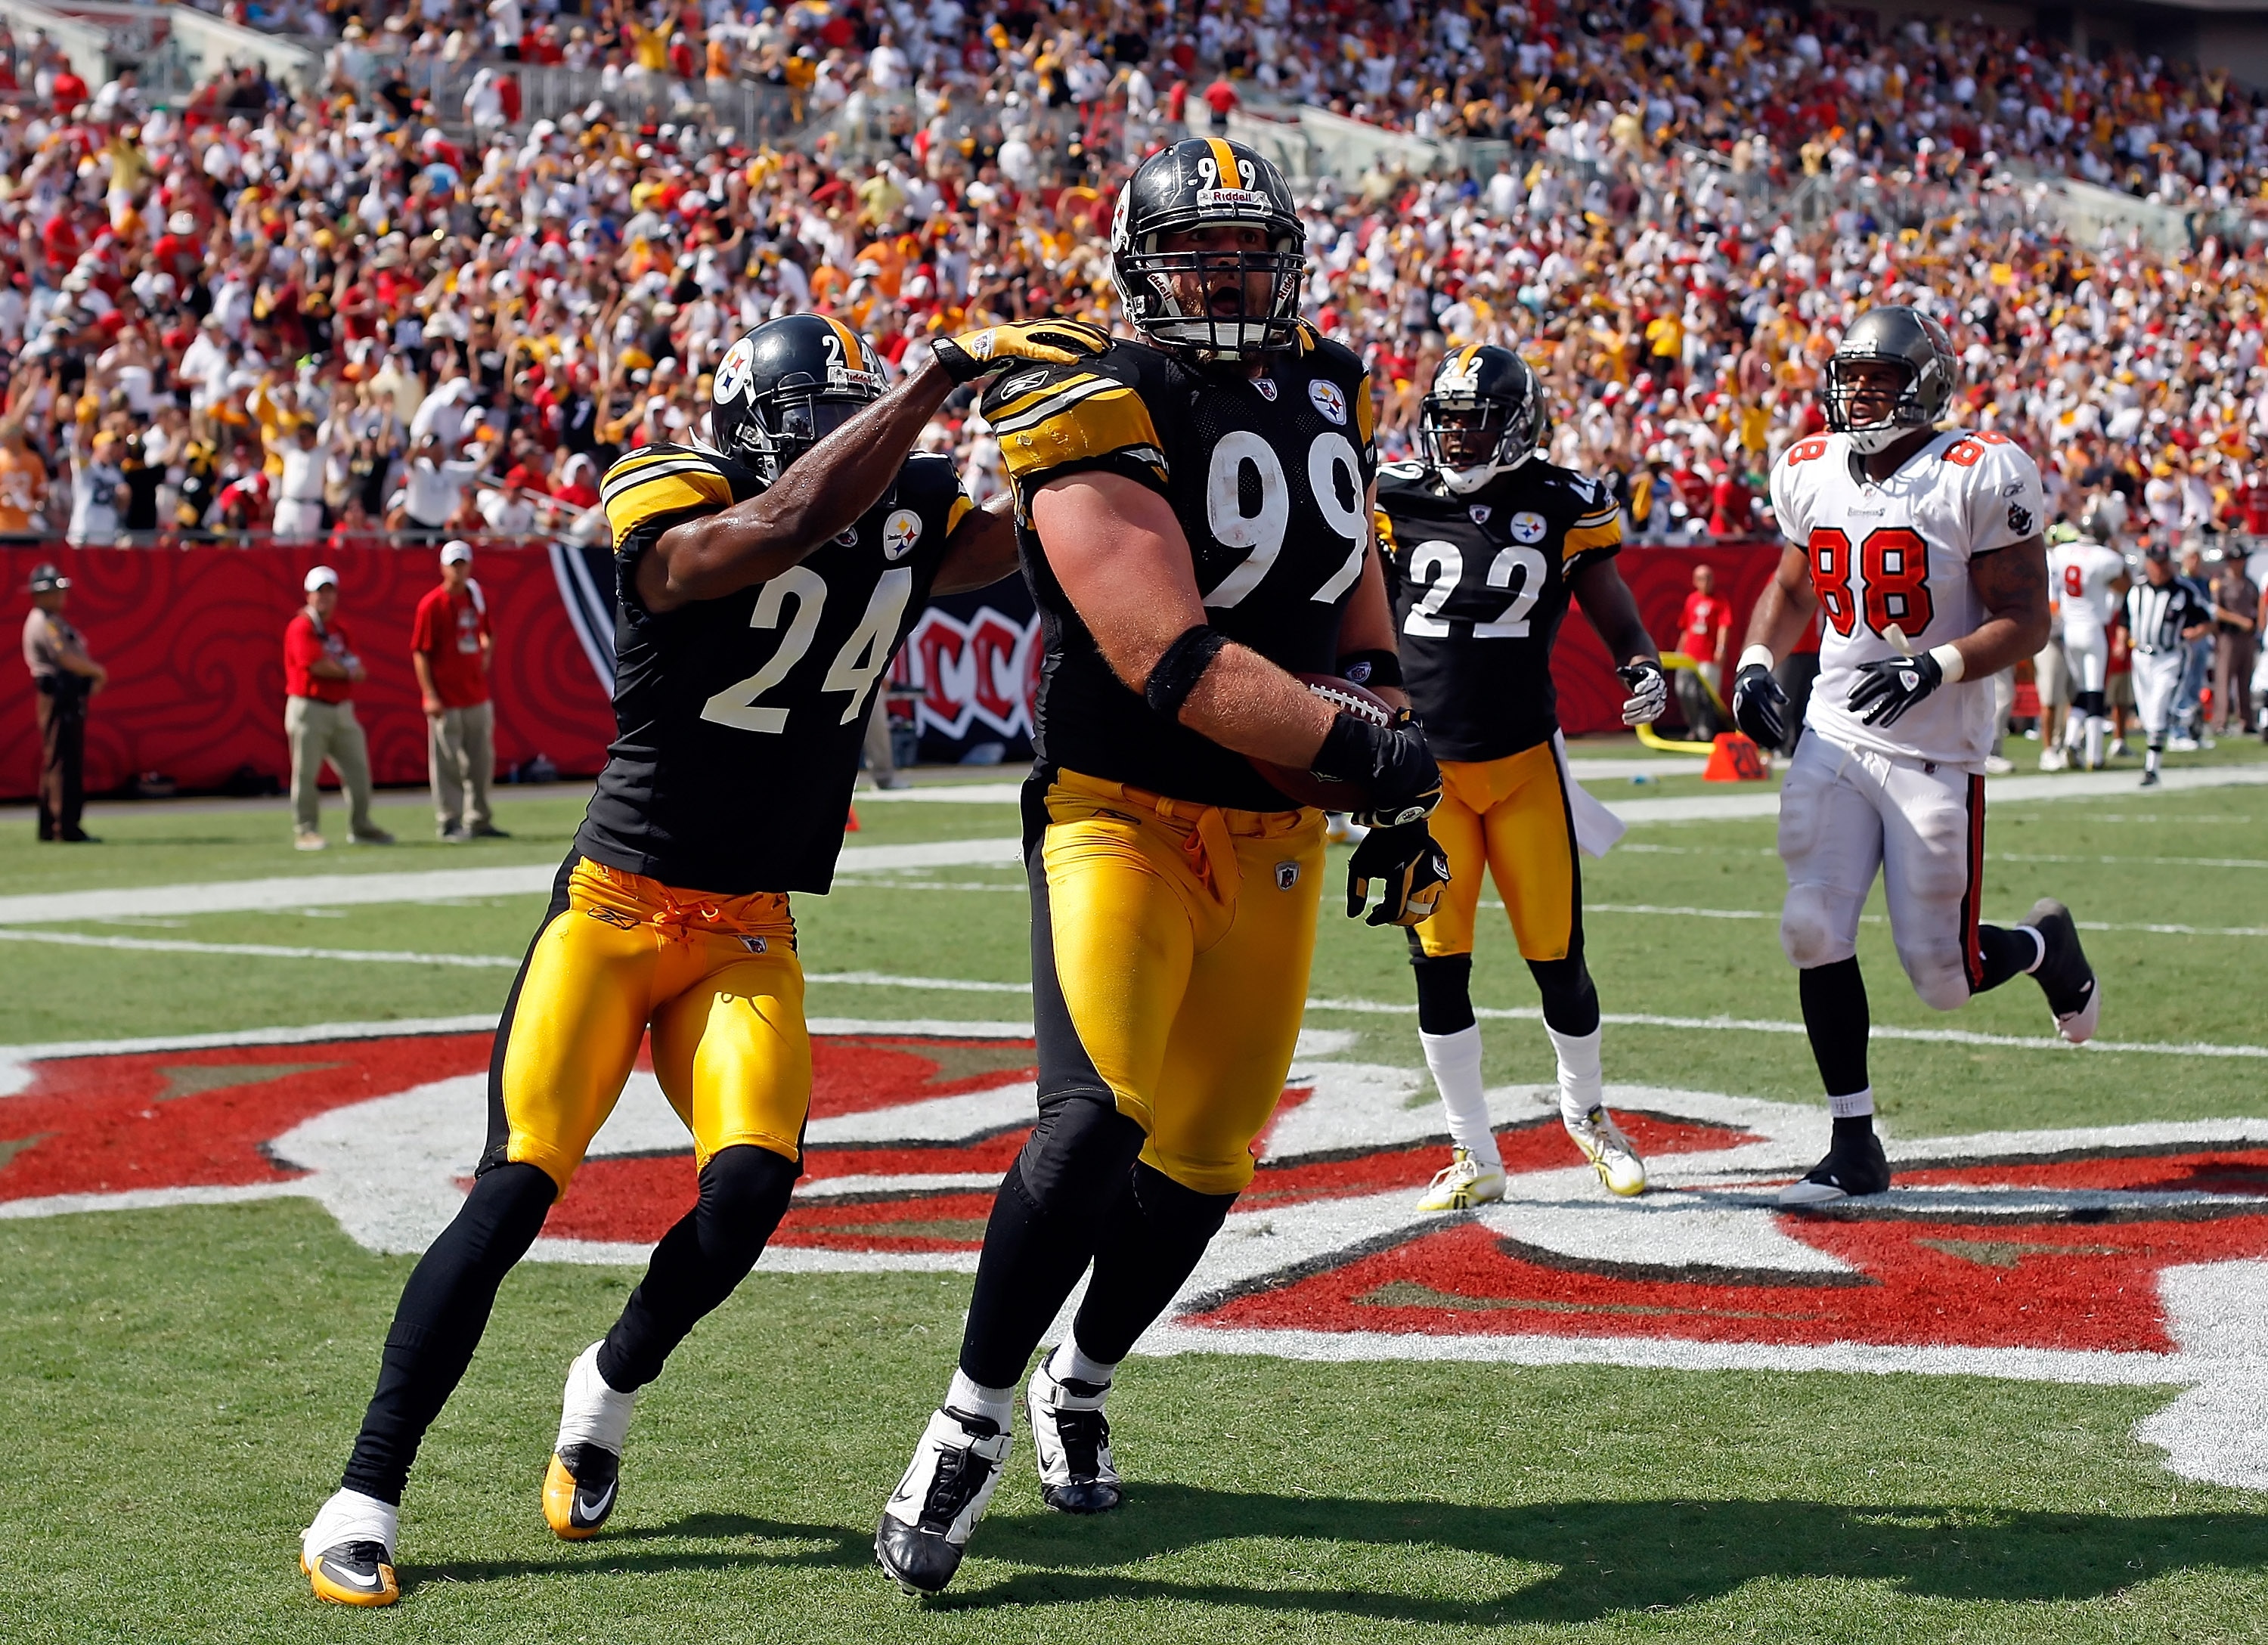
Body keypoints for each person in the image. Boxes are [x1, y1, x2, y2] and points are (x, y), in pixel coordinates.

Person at [297, 311, 1105, 1607]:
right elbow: (776, 528)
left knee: (745, 1197)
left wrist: (1115, 418)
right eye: (817, 419)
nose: (848, 437)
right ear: (742, 424)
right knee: (513, 1193)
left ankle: (609, 1381)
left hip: (748, 922)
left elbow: (1056, 542)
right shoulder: (668, 485)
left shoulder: (909, 514)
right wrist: (936, 376)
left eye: (858, 411)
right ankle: (365, 1487)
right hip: (615, 909)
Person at [875, 138, 1446, 1598]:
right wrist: (1374, 754)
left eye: (1251, 251)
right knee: (1090, 1125)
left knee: (1206, 1154)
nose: (1232, 277)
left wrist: (1377, 691)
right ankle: (969, 1417)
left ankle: (1084, 1378)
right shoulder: (1085, 385)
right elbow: (1166, 655)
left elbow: (1349, 554)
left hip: (1275, 836)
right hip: (1123, 806)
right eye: (1201, 254)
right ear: (1140, 265)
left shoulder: (1335, 380)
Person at [1731, 306, 2099, 1204]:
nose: (1859, 392)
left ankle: (2041, 946)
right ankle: (1853, 1144)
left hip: (1937, 744)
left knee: (1944, 977)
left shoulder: (1979, 470)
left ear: (1926, 384)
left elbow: (2029, 620)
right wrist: (1751, 663)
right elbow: (1788, 589)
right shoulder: (1812, 466)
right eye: (1850, 374)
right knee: (1811, 928)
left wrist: (1933, 666)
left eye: (1880, 377)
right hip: (1836, 729)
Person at [1374, 345, 1665, 1210]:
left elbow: (1614, 608)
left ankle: (1588, 1116)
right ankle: (1473, 1152)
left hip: (1525, 765)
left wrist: (1640, 662)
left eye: (1478, 424)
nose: (1459, 441)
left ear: (1520, 426)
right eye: (1449, 423)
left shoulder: (1565, 501)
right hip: (1424, 776)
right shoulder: (1389, 495)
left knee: (1558, 961)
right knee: (1437, 962)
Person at [284, 566, 393, 850]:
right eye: (320, 592)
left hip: (341, 708)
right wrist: (345, 672)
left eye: (330, 591)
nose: (325, 597)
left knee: (358, 770)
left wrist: (347, 671)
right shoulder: (301, 626)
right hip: (310, 708)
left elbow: (354, 664)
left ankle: (362, 825)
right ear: (309, 594)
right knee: (306, 773)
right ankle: (306, 830)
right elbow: (318, 665)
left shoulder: (340, 628)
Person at [411, 540, 504, 841]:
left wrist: (486, 652)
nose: (459, 570)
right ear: (443, 568)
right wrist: (430, 694)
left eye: (463, 563)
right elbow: (421, 652)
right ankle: (449, 820)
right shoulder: (432, 604)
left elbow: (487, 632)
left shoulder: (475, 596)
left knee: (480, 762)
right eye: (454, 565)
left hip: (476, 693)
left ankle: (479, 818)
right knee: (447, 764)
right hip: (447, 697)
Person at [21, 562, 104, 841]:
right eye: (54, 591)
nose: (61, 596)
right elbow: (65, 658)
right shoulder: (43, 622)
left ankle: (51, 824)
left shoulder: (52, 620)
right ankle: (64, 825)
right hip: (58, 694)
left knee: (58, 757)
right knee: (63, 759)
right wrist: (96, 671)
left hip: (64, 693)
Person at [2126, 547, 2214, 787]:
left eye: (2164, 562)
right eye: (2156, 563)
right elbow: (2126, 619)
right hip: (2141, 657)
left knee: (2157, 710)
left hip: (2169, 657)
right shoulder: (2137, 591)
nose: (2160, 568)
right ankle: (2184, 717)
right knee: (2147, 716)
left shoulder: (2183, 591)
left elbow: (2206, 619)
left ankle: (2151, 768)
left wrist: (2196, 632)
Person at [2046, 506, 2125, 770]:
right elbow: (2123, 582)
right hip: (2093, 628)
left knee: (2081, 691)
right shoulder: (2105, 557)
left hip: (2070, 629)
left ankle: (2070, 740)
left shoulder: (2061, 552)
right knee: (2095, 693)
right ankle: (2095, 754)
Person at [1673, 562, 1730, 738]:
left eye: (1708, 578)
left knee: (1707, 696)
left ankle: (1706, 729)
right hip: (1690, 656)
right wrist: (1679, 651)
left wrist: (1721, 649)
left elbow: (1724, 626)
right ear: (1695, 581)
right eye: (1701, 579)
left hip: (1708, 657)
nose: (1706, 582)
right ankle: (1693, 726)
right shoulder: (1692, 600)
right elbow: (1686, 628)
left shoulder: (1720, 601)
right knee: (1684, 690)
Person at [2210, 553, 2259, 737]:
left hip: (2247, 637)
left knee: (2245, 680)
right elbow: (2216, 610)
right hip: (2228, 635)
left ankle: (2247, 720)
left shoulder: (2249, 584)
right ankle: (2220, 721)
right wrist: (2239, 620)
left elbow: (2258, 606)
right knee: (2224, 679)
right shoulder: (2221, 583)